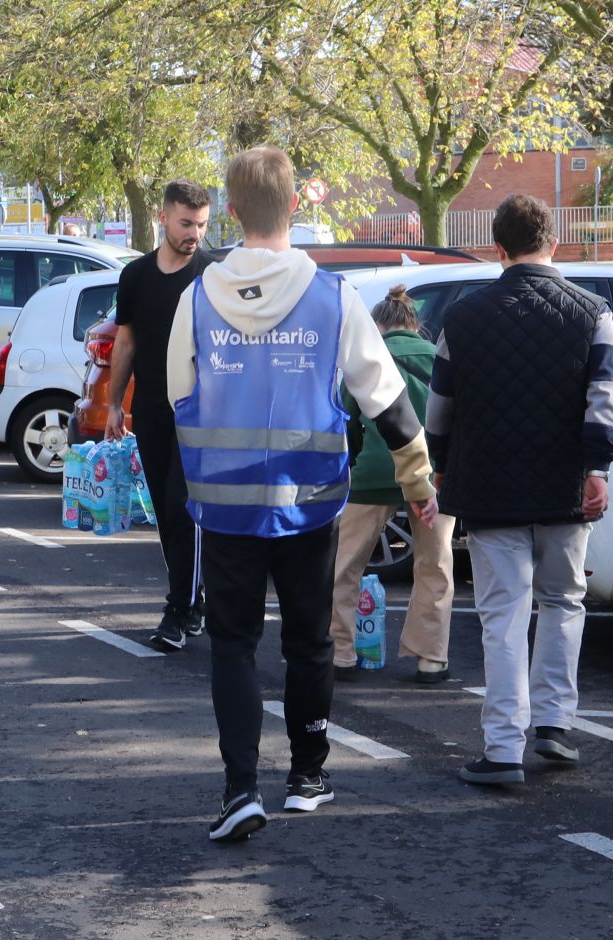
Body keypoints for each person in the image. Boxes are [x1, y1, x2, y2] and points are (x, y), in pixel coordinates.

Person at [167, 147, 435, 841]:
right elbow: (388, 401)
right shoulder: (334, 298)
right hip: (308, 502)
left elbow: (177, 397)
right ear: (294, 206)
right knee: (310, 642)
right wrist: (417, 481)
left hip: (223, 507)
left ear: (229, 212)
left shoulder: (196, 297)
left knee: (231, 644)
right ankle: (308, 775)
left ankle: (238, 789)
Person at [426, 193, 613, 787]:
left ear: (498, 249)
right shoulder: (592, 312)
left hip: (487, 486)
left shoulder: (460, 318)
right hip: (564, 485)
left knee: (502, 616)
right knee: (563, 602)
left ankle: (503, 748)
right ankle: (556, 725)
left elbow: (440, 410)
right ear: (553, 243)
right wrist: (597, 468)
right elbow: (603, 399)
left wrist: (441, 465)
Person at [107, 179, 214, 652]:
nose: (194, 233)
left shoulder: (212, 275)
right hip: (149, 409)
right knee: (167, 517)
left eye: (202, 225)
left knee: (182, 507)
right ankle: (194, 601)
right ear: (164, 217)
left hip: (201, 414)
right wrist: (114, 404)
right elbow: (125, 342)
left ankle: (178, 609)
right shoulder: (135, 276)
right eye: (186, 223)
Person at [330, 284, 452, 685]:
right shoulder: (438, 360)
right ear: (414, 324)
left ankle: (342, 653)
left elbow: (349, 423)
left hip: (371, 475)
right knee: (434, 566)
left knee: (345, 565)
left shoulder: (368, 361)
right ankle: (429, 657)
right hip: (432, 478)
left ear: (378, 325)